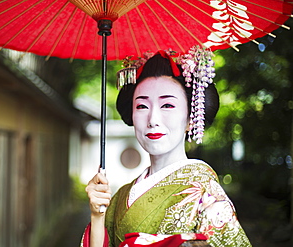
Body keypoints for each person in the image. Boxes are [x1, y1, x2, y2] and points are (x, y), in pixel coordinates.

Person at [81, 47, 251, 247]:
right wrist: (97, 214)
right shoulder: (119, 197)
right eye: (142, 106)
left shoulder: (207, 193)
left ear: (190, 118)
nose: (153, 120)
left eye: (167, 106)